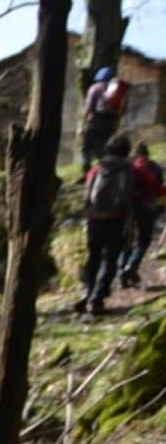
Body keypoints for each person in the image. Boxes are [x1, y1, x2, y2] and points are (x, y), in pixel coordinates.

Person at [77, 133, 135, 315]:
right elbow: (132, 194)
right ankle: (98, 297)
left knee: (93, 256)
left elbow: (87, 194)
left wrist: (88, 212)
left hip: (94, 218)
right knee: (110, 259)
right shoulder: (128, 169)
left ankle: (86, 290)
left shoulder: (97, 168)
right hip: (116, 218)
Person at [121, 141, 164, 287]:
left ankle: (122, 272)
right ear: (147, 152)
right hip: (147, 206)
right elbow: (158, 188)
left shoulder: (128, 167)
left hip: (128, 208)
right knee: (143, 240)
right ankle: (131, 266)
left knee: (127, 240)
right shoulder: (154, 166)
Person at [79, 66, 129, 167]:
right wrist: (116, 126)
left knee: (86, 147)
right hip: (112, 122)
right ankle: (106, 170)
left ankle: (87, 171)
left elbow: (88, 109)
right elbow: (121, 110)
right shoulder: (117, 90)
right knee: (106, 147)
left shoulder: (95, 88)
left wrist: (82, 125)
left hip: (97, 120)